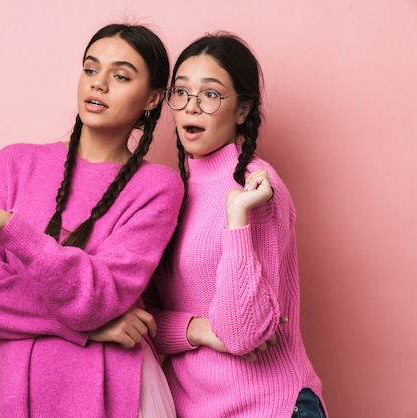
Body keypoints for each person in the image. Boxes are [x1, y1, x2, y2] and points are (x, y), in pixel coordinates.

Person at [0, 23, 183, 417]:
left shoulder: (158, 187)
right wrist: (83, 328)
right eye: (91, 69)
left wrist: (10, 228)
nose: (99, 84)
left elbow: (100, 296)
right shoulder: (15, 162)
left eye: (121, 75)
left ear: (152, 98)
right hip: (13, 388)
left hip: (113, 391)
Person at [140, 32, 328, 417]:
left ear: (242, 110)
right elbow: (142, 317)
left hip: (267, 406)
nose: (191, 107)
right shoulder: (169, 192)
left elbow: (242, 335)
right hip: (191, 408)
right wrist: (199, 330)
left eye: (210, 95)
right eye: (182, 92)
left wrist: (236, 217)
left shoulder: (257, 187)